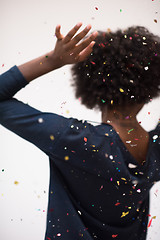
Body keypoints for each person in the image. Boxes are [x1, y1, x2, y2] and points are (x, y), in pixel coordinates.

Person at [0, 22, 159, 240]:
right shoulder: (156, 151)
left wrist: (53, 60)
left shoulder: (75, 139)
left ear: (95, 83)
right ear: (150, 88)